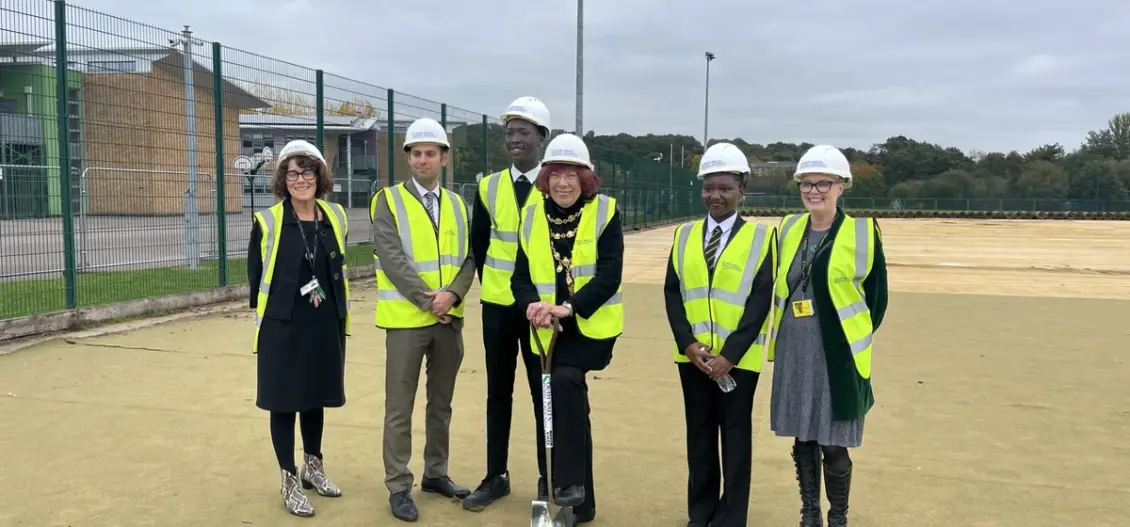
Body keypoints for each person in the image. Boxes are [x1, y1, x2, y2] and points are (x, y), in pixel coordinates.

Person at [768, 145, 889, 527]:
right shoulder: (789, 228)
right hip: (795, 349)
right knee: (803, 437)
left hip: (837, 353)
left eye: (824, 183)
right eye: (806, 183)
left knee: (833, 443)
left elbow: (877, 298)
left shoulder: (862, 233)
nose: (814, 190)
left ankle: (838, 517)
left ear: (841, 186)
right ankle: (810, 514)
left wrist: (848, 334)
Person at [511, 133, 624, 524]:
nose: (562, 183)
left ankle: (568, 482)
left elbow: (609, 275)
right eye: (556, 174)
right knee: (559, 403)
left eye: (571, 175)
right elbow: (520, 276)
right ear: (546, 178)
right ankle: (578, 501)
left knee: (563, 382)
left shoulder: (605, 211)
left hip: (590, 327)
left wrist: (569, 308)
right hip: (546, 328)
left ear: (585, 178)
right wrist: (532, 305)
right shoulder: (532, 214)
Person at [663, 142, 777, 527]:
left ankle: (731, 517)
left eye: (725, 188)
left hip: (737, 362)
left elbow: (760, 301)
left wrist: (730, 355)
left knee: (735, 438)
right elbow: (673, 293)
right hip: (693, 358)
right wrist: (687, 344)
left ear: (741, 190)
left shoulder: (762, 238)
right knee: (699, 437)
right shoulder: (683, 235)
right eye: (709, 187)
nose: (716, 196)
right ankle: (701, 513)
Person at [370, 117, 475, 522]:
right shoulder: (387, 200)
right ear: (408, 158)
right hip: (406, 320)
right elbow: (391, 256)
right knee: (399, 408)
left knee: (441, 404)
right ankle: (399, 486)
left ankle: (435, 473)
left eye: (430, 153)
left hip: (449, 319)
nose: (422, 160)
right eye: (416, 153)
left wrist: (454, 295)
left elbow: (470, 257)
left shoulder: (458, 205)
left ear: (444, 158)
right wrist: (428, 300)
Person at [247, 139, 352, 518]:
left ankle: (313, 466)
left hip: (324, 322)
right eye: (291, 173)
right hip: (282, 325)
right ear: (282, 180)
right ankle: (289, 479)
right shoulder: (268, 221)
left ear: (319, 176)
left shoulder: (335, 216)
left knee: (314, 396)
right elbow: (255, 276)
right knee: (283, 402)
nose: (300, 179)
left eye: (307, 172)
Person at [463, 96, 553, 512]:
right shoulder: (489, 186)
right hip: (498, 307)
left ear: (541, 137)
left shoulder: (557, 184)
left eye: (523, 132)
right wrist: (496, 289)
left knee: (542, 393)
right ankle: (495, 475)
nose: (515, 139)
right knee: (498, 393)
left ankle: (548, 476)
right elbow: (480, 244)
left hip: (541, 310)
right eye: (510, 132)